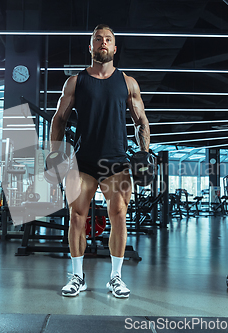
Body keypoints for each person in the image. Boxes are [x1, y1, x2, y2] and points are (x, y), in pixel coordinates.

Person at [50, 24, 150, 298]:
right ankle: (77, 276)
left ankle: (115, 278)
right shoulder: (75, 81)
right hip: (83, 161)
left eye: (108, 40)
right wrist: (55, 152)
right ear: (91, 47)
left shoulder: (128, 82)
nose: (103, 43)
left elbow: (141, 121)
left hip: (116, 162)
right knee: (76, 217)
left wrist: (144, 154)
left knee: (118, 214)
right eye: (98, 40)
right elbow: (58, 119)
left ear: (115, 48)